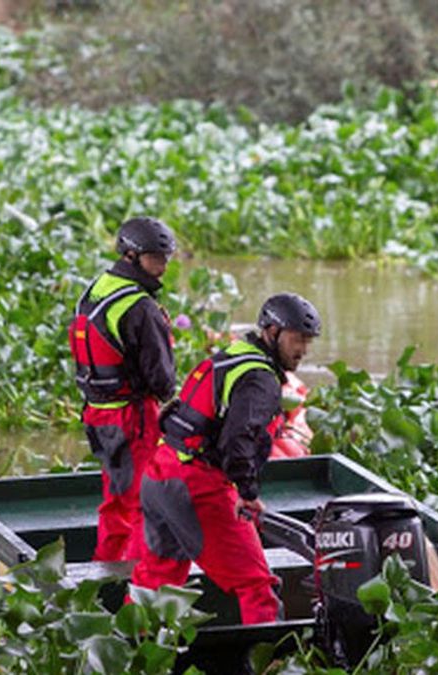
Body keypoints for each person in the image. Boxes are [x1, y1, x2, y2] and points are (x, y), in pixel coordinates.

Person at [130, 293, 322, 624]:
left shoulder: (232, 355)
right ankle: (266, 663)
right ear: (272, 332)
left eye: (307, 341)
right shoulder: (261, 379)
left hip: (160, 475)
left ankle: (131, 656)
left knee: (156, 581)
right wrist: (247, 493)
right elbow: (239, 440)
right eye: (296, 339)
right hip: (195, 484)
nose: (302, 350)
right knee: (257, 586)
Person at [69, 216, 177, 561]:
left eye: (165, 258)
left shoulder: (97, 287)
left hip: (97, 413)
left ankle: (109, 568)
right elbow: (162, 382)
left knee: (116, 497)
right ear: (131, 255)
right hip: (132, 418)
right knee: (140, 503)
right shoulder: (141, 307)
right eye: (154, 258)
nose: (161, 267)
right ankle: (129, 577)